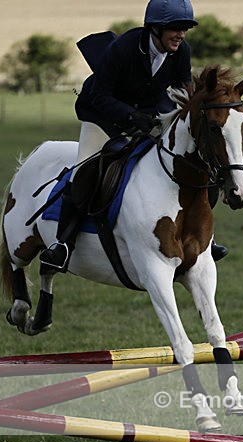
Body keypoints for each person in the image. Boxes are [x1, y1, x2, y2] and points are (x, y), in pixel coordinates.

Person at [40, 0, 228, 273]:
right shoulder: (124, 48)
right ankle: (62, 244)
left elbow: (180, 92)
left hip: (149, 116)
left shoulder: (181, 51)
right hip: (102, 115)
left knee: (193, 165)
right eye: (175, 28)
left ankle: (203, 240)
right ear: (155, 29)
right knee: (84, 170)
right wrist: (131, 117)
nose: (181, 35)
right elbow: (99, 95)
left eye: (185, 29)